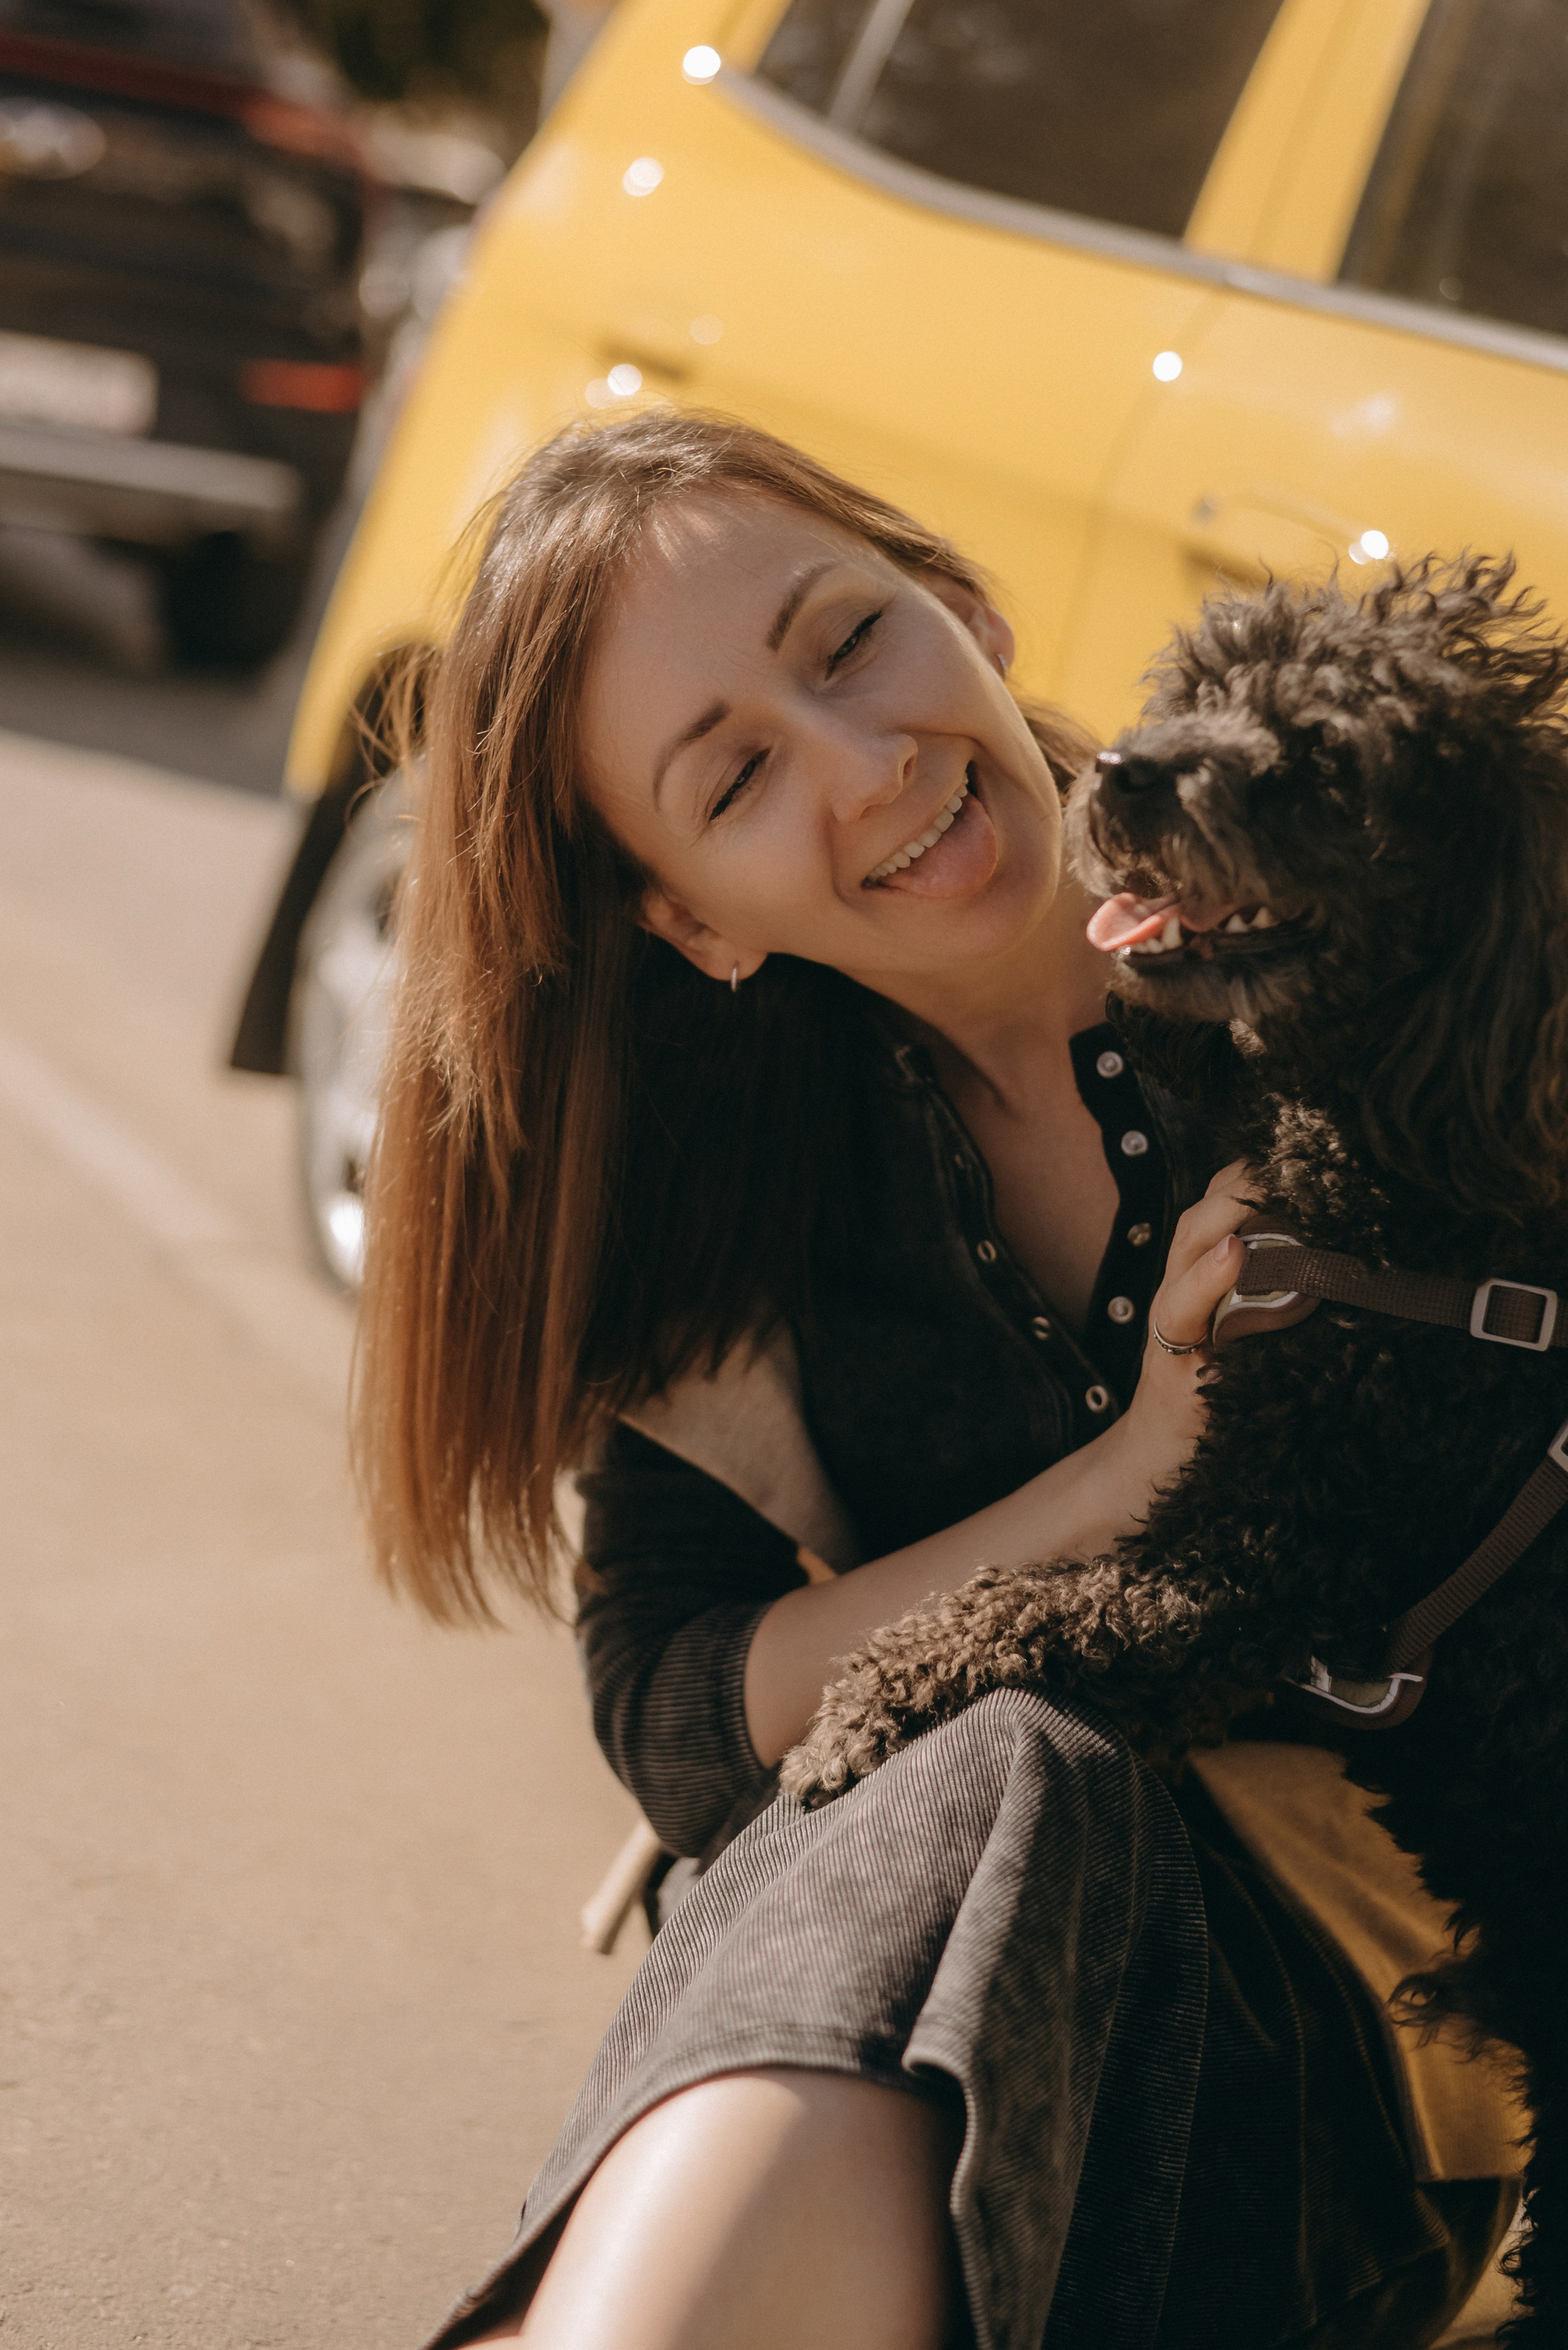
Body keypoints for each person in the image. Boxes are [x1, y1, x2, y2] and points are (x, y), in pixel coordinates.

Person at [354, 412, 1517, 2348]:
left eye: (850, 643)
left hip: (1384, 2099)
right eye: (733, 778)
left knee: (994, 1770)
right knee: (988, 1771)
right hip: (940, 2031)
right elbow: (678, 1712)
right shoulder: (767, 1186)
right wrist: (1128, 1476)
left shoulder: (1364, 946)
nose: (868, 762)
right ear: (695, 921)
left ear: (962, 601)